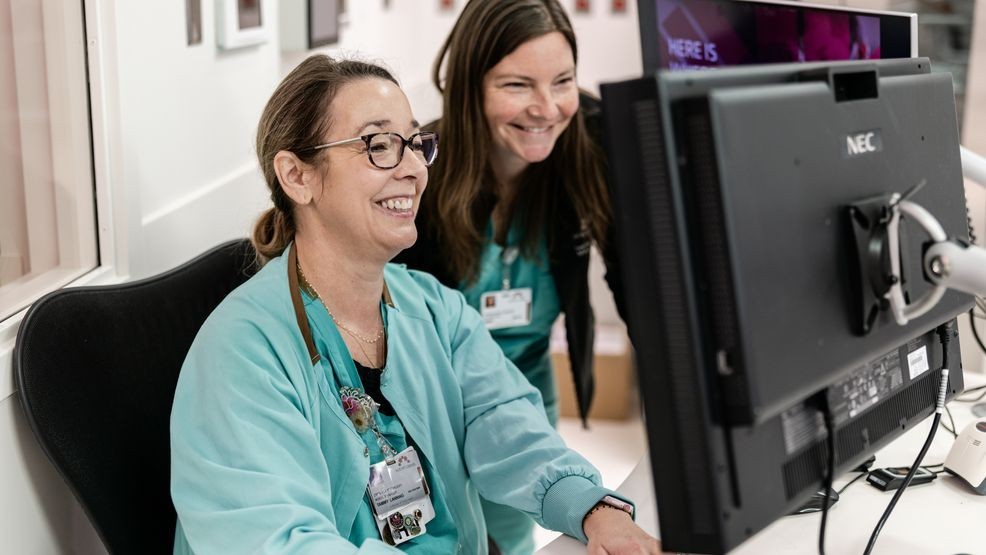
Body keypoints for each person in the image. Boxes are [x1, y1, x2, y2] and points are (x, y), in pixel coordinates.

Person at [169, 54, 661, 554]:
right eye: (378, 145)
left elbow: (507, 427)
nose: (411, 169)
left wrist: (593, 508)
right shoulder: (242, 353)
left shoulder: (433, 309)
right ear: (298, 176)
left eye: (413, 143)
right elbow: (279, 542)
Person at [394, 1, 628, 552]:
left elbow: (641, 284)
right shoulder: (420, 169)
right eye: (518, 85)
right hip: (432, 403)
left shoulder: (588, 152)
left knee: (512, 535)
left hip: (523, 385)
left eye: (563, 81)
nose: (547, 108)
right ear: (470, 86)